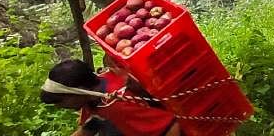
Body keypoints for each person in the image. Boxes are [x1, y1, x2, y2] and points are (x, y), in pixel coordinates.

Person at [40, 58, 181, 136]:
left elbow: (171, 127)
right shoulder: (95, 92)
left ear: (80, 91)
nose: (59, 106)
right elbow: (88, 129)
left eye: (60, 100)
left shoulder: (116, 104)